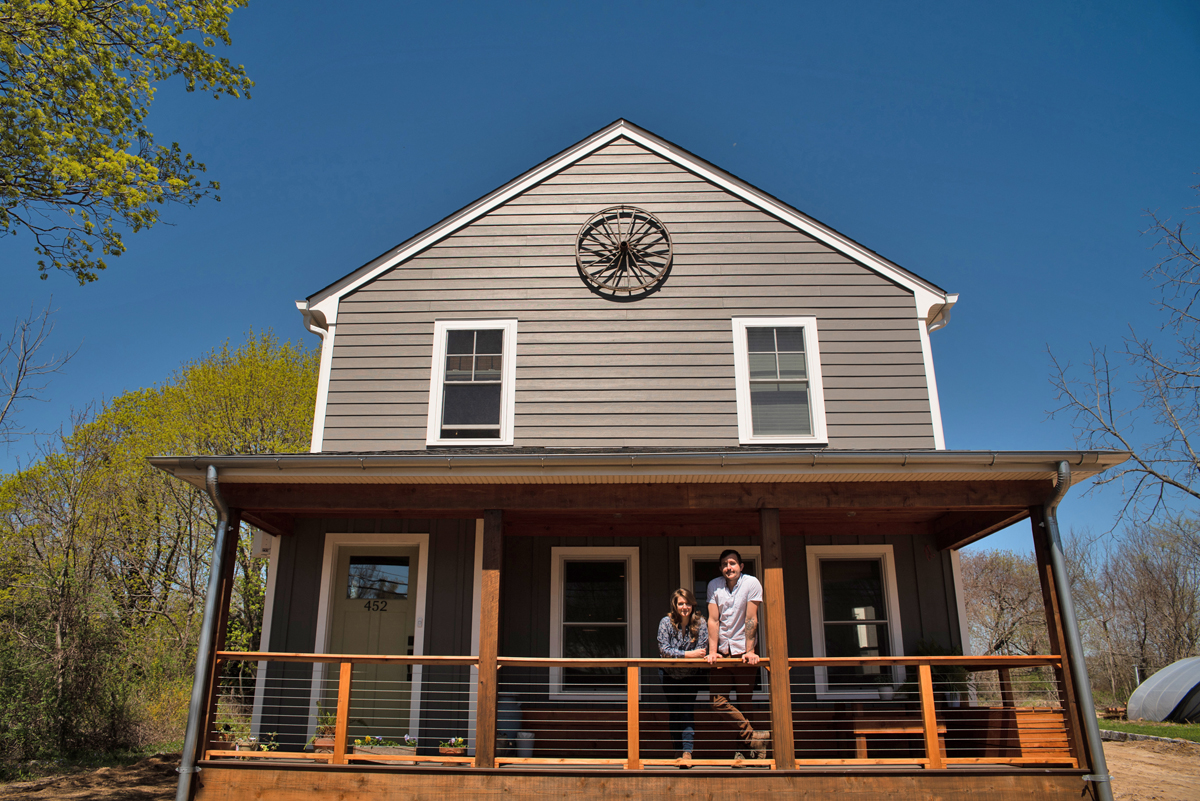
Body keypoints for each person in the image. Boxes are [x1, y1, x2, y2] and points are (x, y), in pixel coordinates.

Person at [705, 549, 770, 761]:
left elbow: (751, 619)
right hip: (723, 652)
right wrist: (712, 652)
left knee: (745, 701)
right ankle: (754, 737)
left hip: (743, 652)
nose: (728, 567)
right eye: (724, 564)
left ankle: (743, 752)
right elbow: (713, 620)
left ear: (741, 566)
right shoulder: (714, 586)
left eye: (732, 563)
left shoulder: (752, 583)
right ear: (720, 568)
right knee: (717, 700)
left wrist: (750, 651)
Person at [656, 588, 708, 768]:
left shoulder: (700, 623)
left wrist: (687, 655)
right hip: (669, 674)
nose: (684, 607)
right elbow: (664, 650)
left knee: (686, 710)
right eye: (680, 603)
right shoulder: (666, 622)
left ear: (692, 604)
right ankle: (677, 751)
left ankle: (687, 752)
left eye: (687, 603)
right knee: (674, 712)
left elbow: (702, 650)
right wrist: (689, 654)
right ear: (675, 605)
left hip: (691, 676)